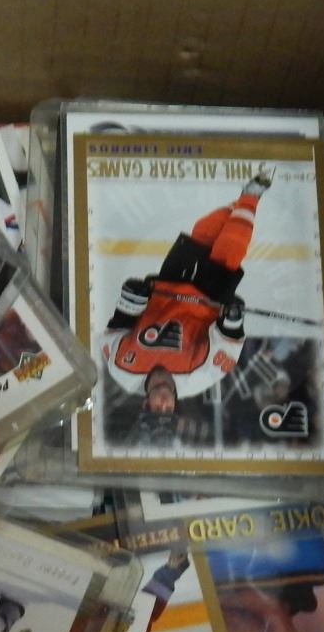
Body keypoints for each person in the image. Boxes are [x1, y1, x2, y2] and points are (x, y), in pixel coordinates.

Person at [99, 173, 271, 444]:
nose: (164, 403)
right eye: (168, 410)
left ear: (145, 404)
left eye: (157, 408)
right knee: (229, 250)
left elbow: (118, 327)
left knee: (200, 236)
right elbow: (228, 345)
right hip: (206, 298)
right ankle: (251, 196)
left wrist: (131, 302)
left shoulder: (122, 370)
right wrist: (231, 321)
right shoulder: (198, 378)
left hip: (164, 290)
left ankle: (240, 202)